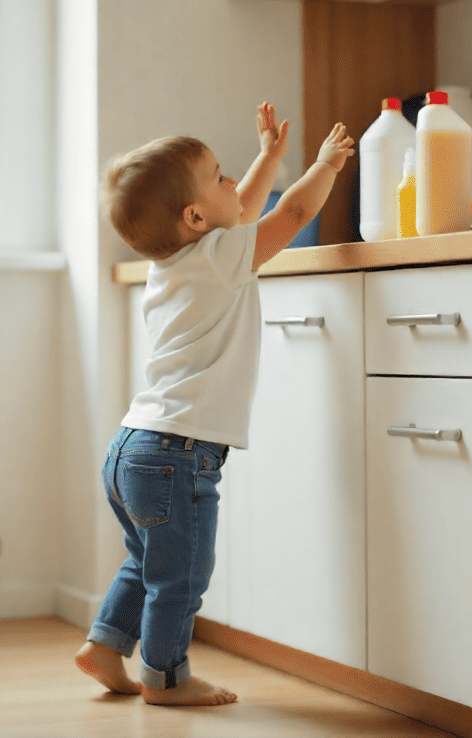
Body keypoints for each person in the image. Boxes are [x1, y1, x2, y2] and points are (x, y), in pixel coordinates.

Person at [74, 102, 354, 706]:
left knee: (146, 560)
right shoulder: (221, 258)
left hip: (132, 448)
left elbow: (240, 211)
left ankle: (105, 646)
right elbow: (292, 211)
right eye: (221, 175)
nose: (235, 184)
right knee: (181, 577)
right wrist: (326, 163)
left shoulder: (177, 262)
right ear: (196, 215)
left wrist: (267, 157)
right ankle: (165, 678)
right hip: (177, 455)